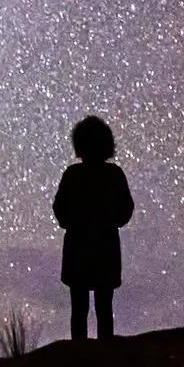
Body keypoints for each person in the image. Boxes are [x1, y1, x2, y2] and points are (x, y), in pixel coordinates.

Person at [53, 114, 133, 340]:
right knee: (102, 307)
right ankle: (102, 354)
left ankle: (81, 357)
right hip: (104, 248)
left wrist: (76, 223)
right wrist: (106, 222)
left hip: (80, 248)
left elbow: (60, 209)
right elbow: (125, 209)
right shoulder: (113, 174)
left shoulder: (73, 175)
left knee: (81, 308)